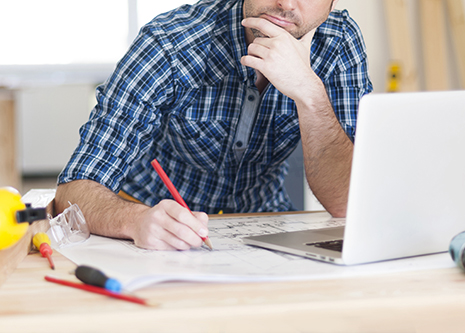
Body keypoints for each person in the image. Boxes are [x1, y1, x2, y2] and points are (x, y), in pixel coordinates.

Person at [55, 0, 373, 251]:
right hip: (152, 227)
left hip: (264, 232)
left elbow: (347, 202)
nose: (286, 3)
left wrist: (309, 92)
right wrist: (135, 221)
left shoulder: (339, 42)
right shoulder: (170, 42)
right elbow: (73, 191)